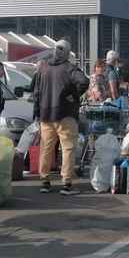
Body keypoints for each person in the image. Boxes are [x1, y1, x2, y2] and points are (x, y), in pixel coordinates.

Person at [32, 40, 89, 195]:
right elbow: (84, 81)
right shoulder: (70, 68)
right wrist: (73, 96)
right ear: (68, 53)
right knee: (68, 148)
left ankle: (45, 182)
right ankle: (67, 184)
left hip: (45, 115)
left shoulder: (43, 69)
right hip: (65, 114)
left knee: (45, 149)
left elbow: (36, 93)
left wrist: (37, 113)